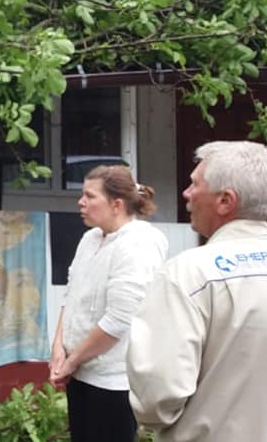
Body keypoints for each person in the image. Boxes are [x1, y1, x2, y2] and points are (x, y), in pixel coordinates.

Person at [127, 140, 267, 441]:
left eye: (194, 184)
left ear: (226, 201)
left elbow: (158, 395)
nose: (186, 194)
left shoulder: (188, 274)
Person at [49, 164, 168, 442]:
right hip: (79, 373)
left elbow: (119, 319)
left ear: (116, 204)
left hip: (113, 381)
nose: (81, 202)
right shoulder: (90, 238)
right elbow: (72, 295)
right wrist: (58, 348)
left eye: (90, 196)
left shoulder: (140, 243)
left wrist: (71, 361)